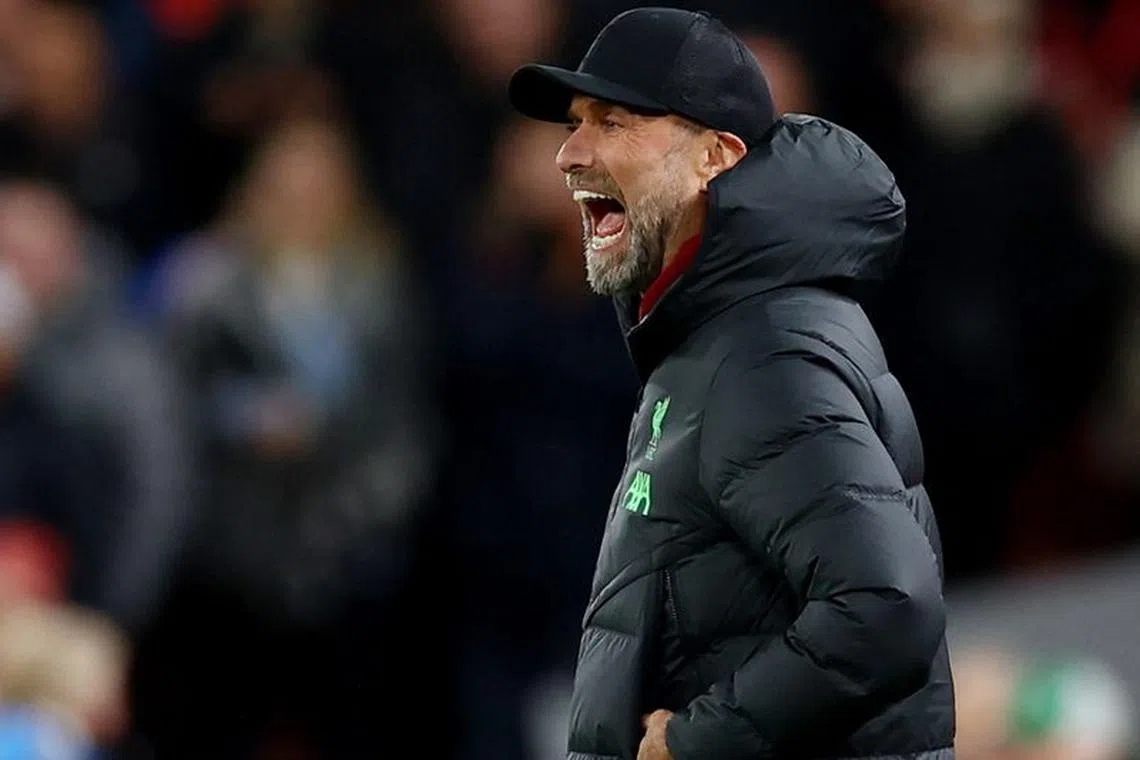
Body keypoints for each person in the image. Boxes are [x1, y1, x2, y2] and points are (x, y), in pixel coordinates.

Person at [507, 8, 954, 760]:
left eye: (612, 122)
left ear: (715, 155)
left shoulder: (763, 354)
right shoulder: (708, 339)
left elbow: (888, 603)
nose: (569, 153)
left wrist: (696, 740)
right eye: (575, 123)